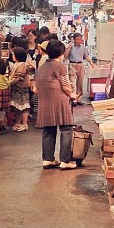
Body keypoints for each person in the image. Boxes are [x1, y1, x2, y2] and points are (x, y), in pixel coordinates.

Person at [35, 39, 77, 170]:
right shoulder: (60, 66)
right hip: (59, 101)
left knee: (49, 130)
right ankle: (65, 161)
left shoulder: (42, 67)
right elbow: (65, 85)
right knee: (66, 129)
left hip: (45, 102)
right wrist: (72, 95)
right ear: (61, 52)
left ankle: (48, 159)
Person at [64, 32, 94, 104]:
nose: (79, 41)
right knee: (72, 82)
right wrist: (69, 47)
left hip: (81, 65)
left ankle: (79, 99)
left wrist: (91, 63)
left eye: (80, 39)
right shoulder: (70, 47)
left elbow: (86, 56)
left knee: (80, 83)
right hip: (72, 64)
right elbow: (65, 56)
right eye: (77, 39)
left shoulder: (83, 47)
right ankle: (74, 99)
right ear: (73, 39)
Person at [8, 46, 31, 132]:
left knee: (24, 107)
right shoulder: (16, 64)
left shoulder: (22, 65)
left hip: (21, 89)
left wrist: (8, 83)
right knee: (17, 107)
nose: (12, 56)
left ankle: (24, 124)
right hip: (16, 89)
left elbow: (18, 78)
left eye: (13, 54)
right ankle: (17, 123)